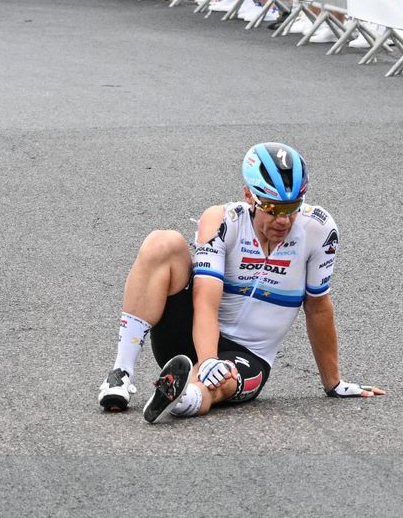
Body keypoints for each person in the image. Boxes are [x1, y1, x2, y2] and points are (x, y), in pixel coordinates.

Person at [98, 142, 383, 423]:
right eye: (272, 208)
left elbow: (318, 306)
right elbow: (205, 301)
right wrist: (208, 359)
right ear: (249, 195)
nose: (283, 220)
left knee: (225, 377)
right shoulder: (223, 221)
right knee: (163, 242)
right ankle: (120, 374)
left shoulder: (319, 230)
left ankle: (184, 397)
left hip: (249, 354)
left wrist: (334, 383)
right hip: (190, 336)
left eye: (291, 207)